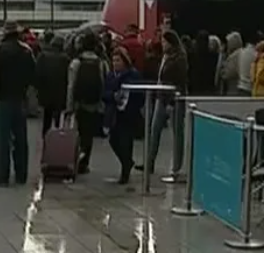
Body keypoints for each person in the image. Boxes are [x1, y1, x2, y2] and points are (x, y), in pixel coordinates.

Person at [0, 21, 35, 187]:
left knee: (3, 140)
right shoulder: (26, 50)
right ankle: (21, 174)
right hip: (20, 98)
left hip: (3, 99)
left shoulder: (1, 50)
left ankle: (2, 175)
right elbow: (32, 74)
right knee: (21, 139)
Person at [143, 29, 188, 174]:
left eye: (164, 41)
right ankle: (149, 163)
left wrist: (172, 102)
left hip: (174, 99)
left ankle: (177, 166)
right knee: (154, 130)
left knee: (177, 133)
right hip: (161, 97)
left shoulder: (180, 58)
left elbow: (180, 81)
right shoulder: (165, 57)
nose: (162, 44)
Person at [66, 32, 108, 175]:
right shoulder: (100, 63)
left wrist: (69, 106)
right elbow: (103, 83)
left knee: (75, 132)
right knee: (88, 135)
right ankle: (84, 163)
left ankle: (73, 160)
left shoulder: (76, 62)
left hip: (79, 103)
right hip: (93, 103)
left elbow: (71, 85)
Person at [104, 48, 143, 184]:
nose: (115, 63)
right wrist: (112, 96)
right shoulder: (110, 75)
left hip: (128, 113)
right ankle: (127, 162)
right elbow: (105, 92)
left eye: (118, 60)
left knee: (126, 141)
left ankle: (125, 171)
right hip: (114, 113)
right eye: (113, 60)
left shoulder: (133, 75)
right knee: (113, 140)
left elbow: (139, 95)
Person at [35, 33, 70, 134]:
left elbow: (37, 74)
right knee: (58, 117)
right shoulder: (66, 58)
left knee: (47, 116)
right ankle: (57, 138)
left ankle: (45, 137)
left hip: (46, 92)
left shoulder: (43, 56)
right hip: (60, 93)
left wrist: (38, 89)